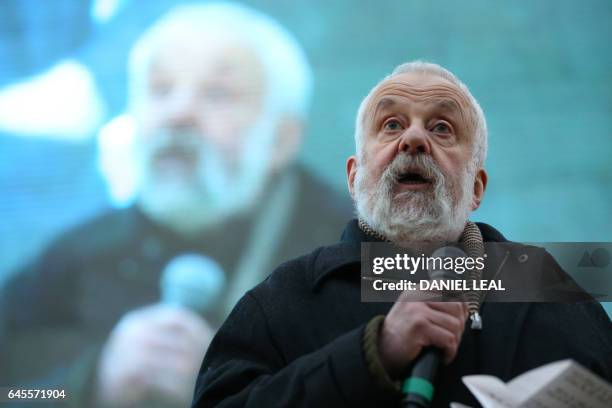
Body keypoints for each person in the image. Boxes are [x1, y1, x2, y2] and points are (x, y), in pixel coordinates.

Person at [192, 61, 612, 407]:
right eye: (391, 125)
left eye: (443, 128)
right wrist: (373, 353)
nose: (414, 139)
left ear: (476, 188)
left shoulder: (553, 292)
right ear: (354, 178)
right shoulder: (282, 299)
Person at [0, 3, 350, 407]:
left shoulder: (363, 251)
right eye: (160, 89)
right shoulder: (73, 259)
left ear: (280, 140)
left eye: (217, 93)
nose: (178, 114)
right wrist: (92, 381)